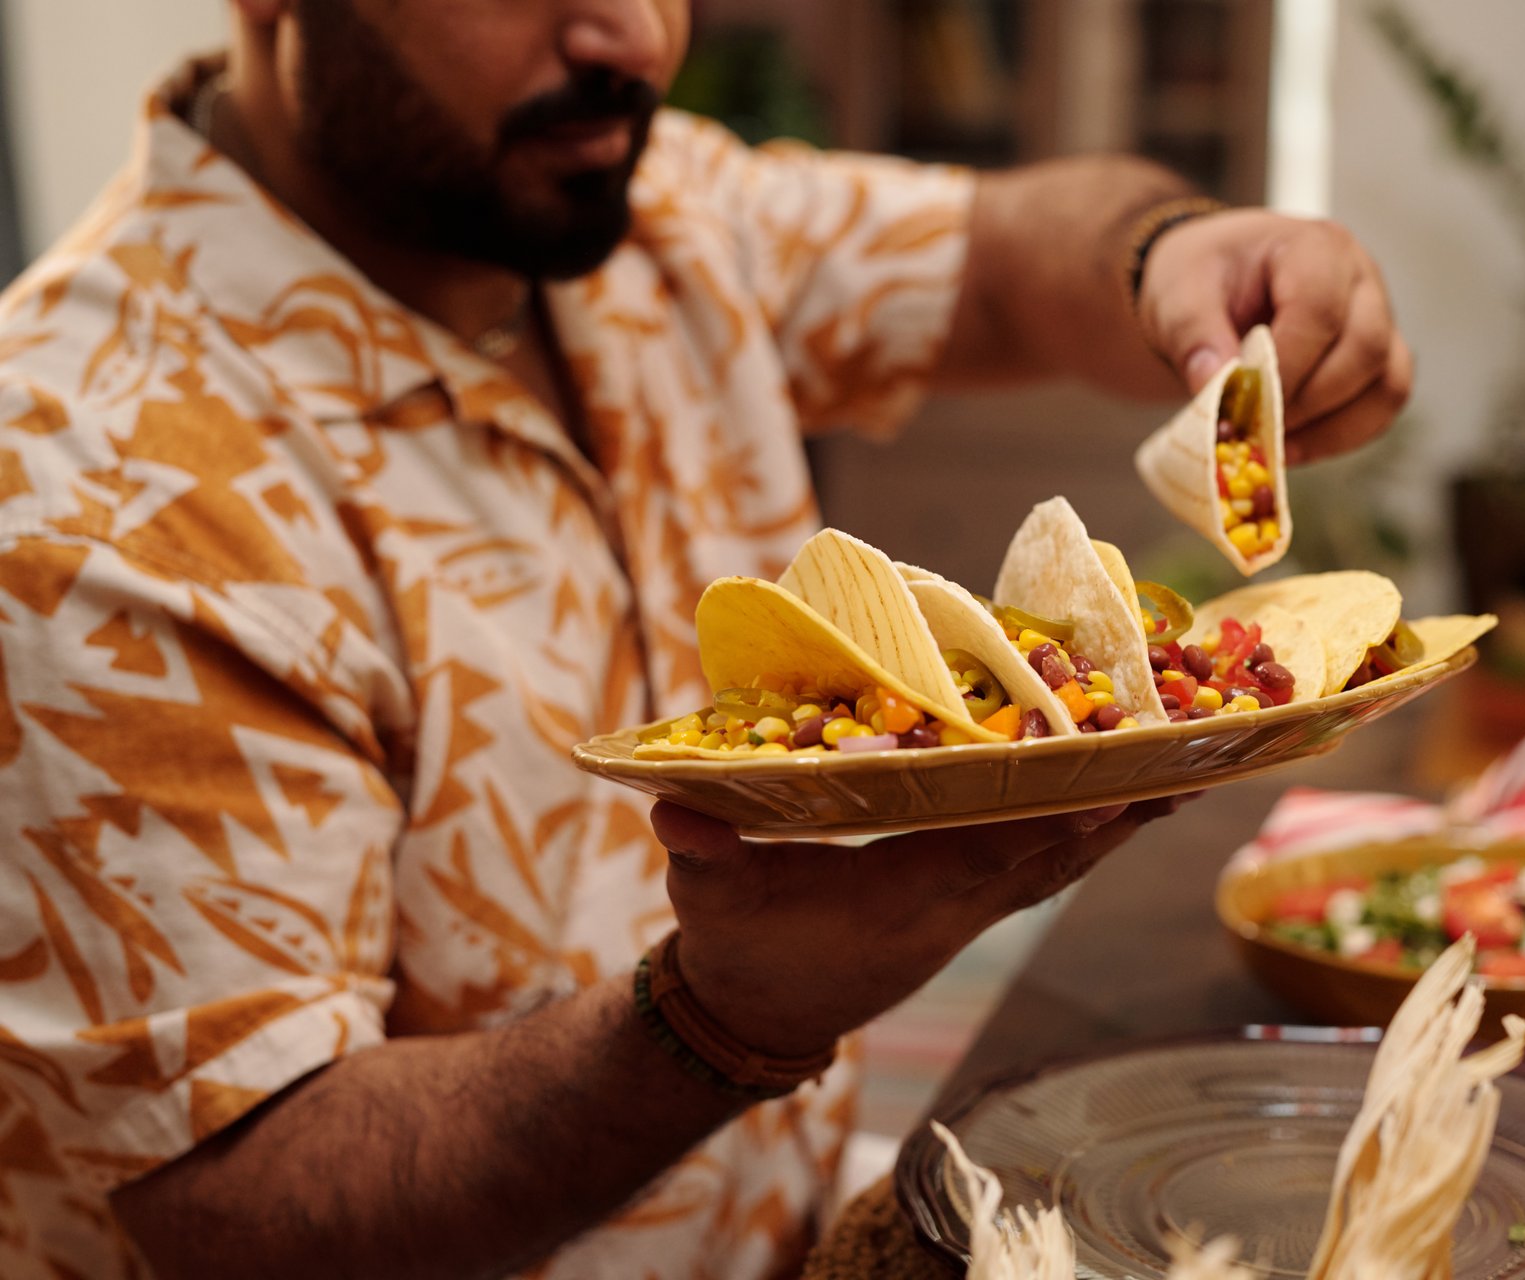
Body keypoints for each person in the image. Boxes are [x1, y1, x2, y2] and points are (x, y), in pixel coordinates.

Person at [0, 1, 1410, 1276]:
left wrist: (1172, 257)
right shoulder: (87, 484)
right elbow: (247, 1203)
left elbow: (992, 261)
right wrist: (720, 1024)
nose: (636, 36)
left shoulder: (648, 203)